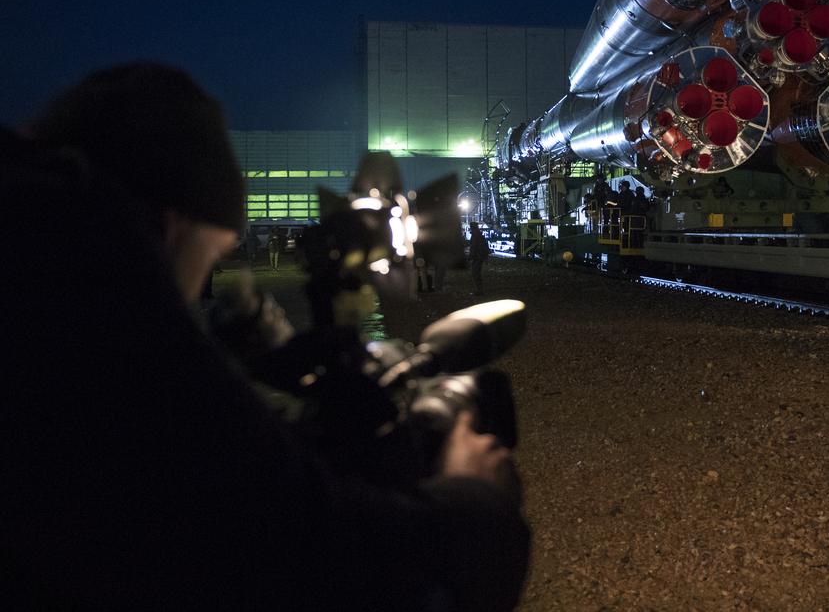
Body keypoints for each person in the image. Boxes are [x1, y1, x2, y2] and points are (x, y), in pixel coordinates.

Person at [1, 64, 528, 610]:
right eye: (203, 259)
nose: (185, 297)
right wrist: (475, 496)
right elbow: (329, 548)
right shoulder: (102, 334)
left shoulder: (39, 285)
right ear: (164, 228)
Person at [469, 221, 491, 295]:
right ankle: (479, 290)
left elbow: (474, 248)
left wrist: (470, 257)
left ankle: (479, 290)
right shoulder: (480, 235)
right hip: (479, 257)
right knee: (476, 274)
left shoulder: (475, 236)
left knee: (475, 274)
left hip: (477, 257)